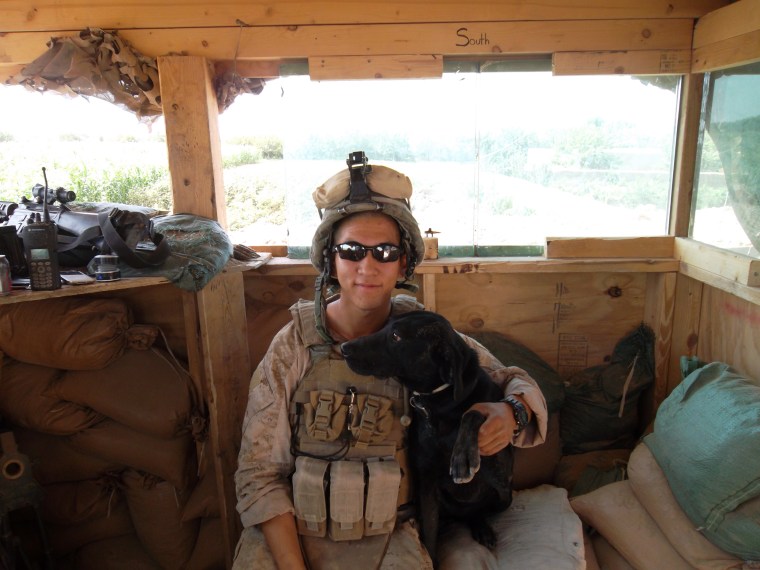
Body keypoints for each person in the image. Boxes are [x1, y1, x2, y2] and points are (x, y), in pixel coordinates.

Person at [233, 152, 548, 570]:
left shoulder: (420, 335)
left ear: (403, 263)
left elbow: (512, 380)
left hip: (389, 538)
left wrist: (512, 414)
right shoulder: (295, 345)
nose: (367, 266)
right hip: (292, 538)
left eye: (384, 251)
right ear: (330, 259)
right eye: (351, 250)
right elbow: (258, 476)